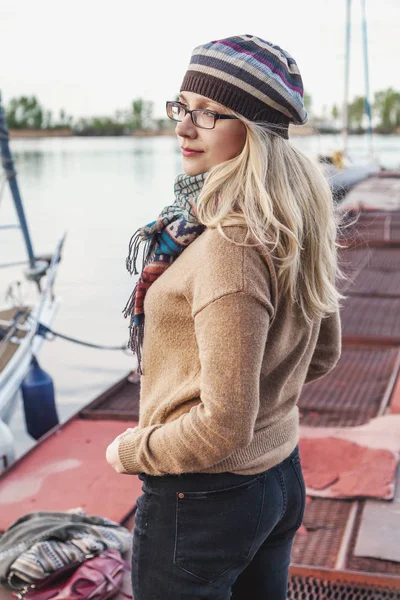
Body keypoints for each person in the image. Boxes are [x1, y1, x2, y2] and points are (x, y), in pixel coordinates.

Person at [106, 34, 342, 600]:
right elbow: (324, 352)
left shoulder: (229, 243)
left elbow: (222, 427)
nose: (185, 127)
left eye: (212, 113)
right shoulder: (286, 220)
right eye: (184, 107)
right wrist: (263, 396)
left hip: (203, 498)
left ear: (256, 132)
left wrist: (130, 450)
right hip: (279, 475)